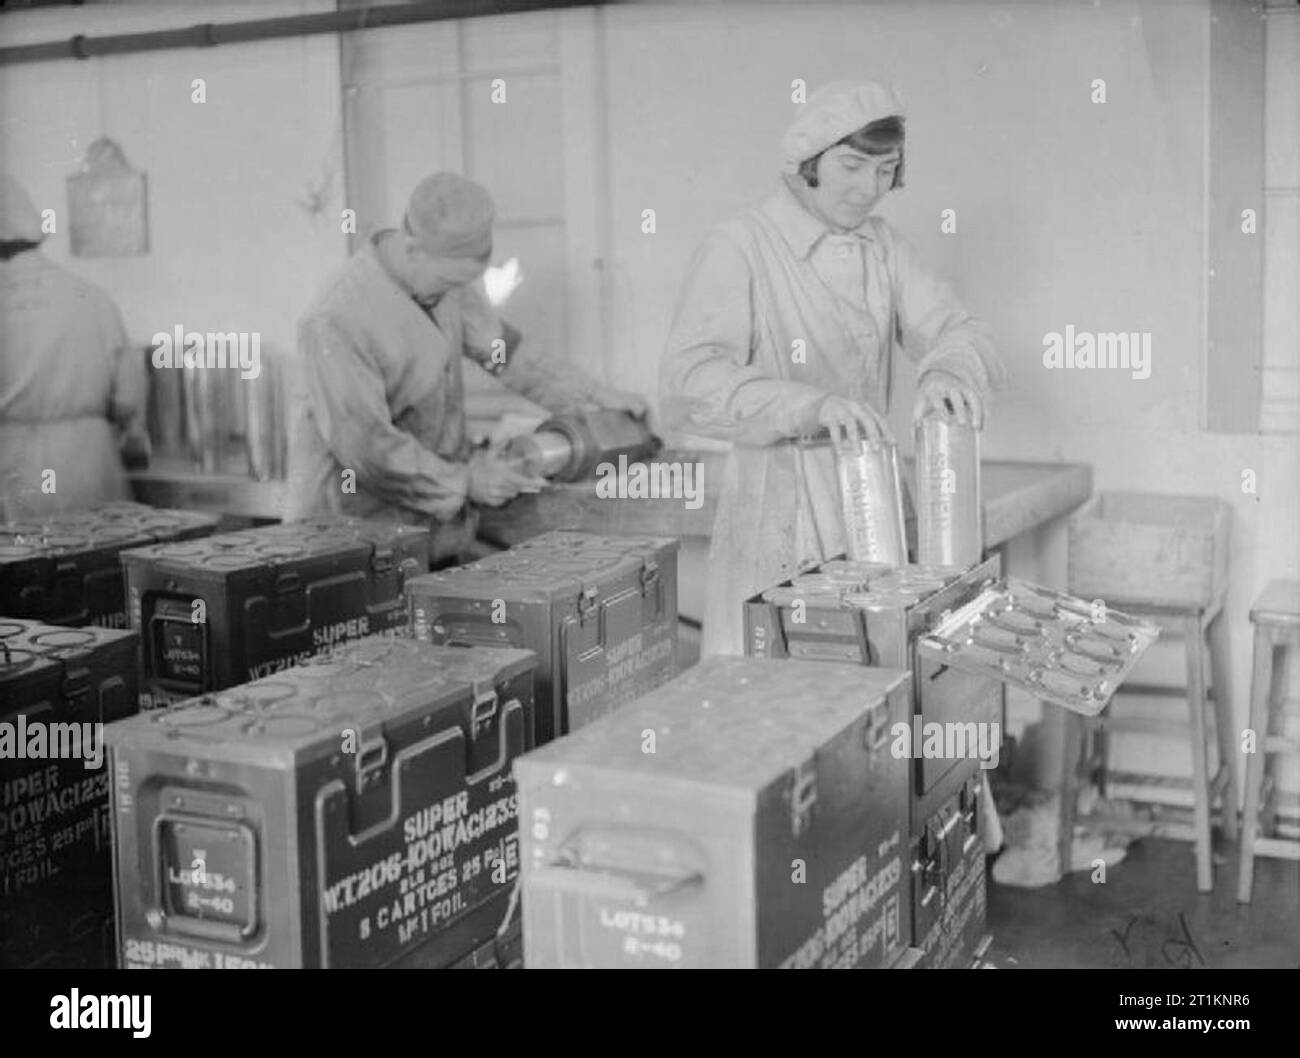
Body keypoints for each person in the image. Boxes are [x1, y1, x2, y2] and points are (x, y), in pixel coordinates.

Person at [660, 80, 1005, 656]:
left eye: (885, 170)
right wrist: (810, 406)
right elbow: (688, 382)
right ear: (809, 161)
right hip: (777, 507)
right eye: (851, 166)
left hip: (874, 501)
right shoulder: (741, 245)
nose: (868, 189)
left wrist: (948, 369)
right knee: (776, 686)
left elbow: (960, 329)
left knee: (872, 678)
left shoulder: (884, 246)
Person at [288, 172, 645, 563]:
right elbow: (368, 448)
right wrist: (465, 481)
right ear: (411, 247)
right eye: (444, 281)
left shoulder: (448, 285)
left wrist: (594, 394)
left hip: (425, 526)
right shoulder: (337, 317)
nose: (450, 295)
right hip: (345, 538)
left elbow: (503, 353)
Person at [0, 175, 148, 521]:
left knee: (30, 571)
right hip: (89, 466)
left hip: (14, 468)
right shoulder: (91, 296)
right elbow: (129, 395)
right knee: (95, 570)